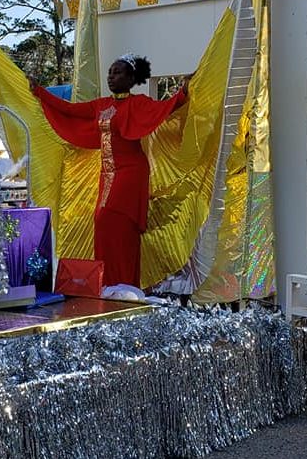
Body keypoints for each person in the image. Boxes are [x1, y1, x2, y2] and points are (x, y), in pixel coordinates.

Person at [29, 54, 189, 288]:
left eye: (117, 72)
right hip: (108, 174)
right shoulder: (101, 105)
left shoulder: (138, 103)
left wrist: (184, 92)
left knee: (113, 221)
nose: (111, 77)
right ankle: (109, 283)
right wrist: (40, 92)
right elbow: (69, 110)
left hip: (131, 172)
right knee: (103, 224)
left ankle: (124, 283)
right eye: (110, 73)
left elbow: (165, 108)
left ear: (131, 78)